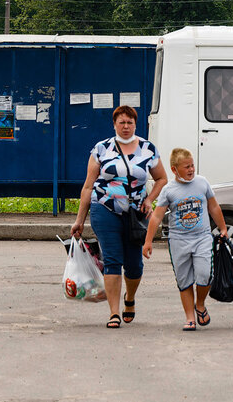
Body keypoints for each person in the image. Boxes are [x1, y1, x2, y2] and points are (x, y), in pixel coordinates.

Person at [70, 105, 168, 329]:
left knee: (134, 265)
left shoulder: (147, 148)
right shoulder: (101, 149)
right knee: (112, 260)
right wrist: (79, 220)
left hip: (136, 215)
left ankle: (129, 299)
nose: (126, 126)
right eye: (121, 122)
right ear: (114, 124)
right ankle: (114, 313)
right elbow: (88, 186)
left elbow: (162, 178)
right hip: (104, 208)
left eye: (129, 122)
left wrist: (149, 199)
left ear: (136, 124)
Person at [142, 148, 227, 331]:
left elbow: (213, 207)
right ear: (174, 170)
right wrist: (148, 241)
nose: (191, 169)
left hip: (202, 237)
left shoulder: (202, 183)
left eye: (192, 165)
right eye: (186, 167)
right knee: (184, 280)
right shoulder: (168, 190)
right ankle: (190, 317)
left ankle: (200, 304)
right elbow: (156, 217)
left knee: (204, 275)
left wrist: (223, 228)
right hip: (178, 240)